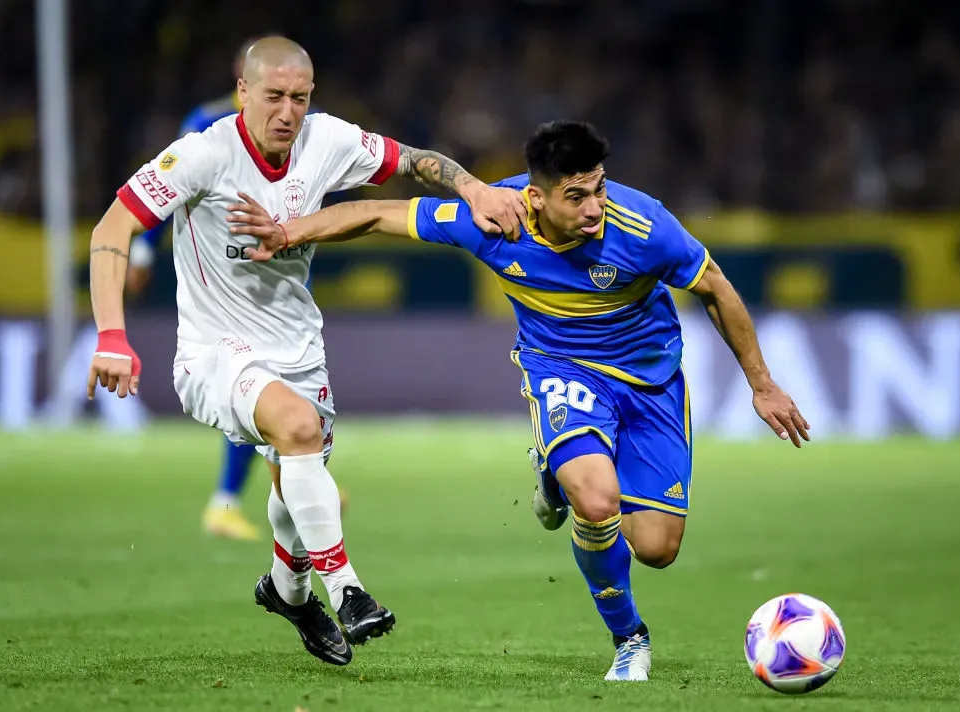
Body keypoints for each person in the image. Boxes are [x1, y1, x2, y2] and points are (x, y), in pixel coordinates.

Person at [225, 120, 811, 681]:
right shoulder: (491, 218)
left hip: (650, 380)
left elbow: (716, 289)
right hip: (561, 369)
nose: (593, 208)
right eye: (576, 195)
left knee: (656, 549)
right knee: (597, 499)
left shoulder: (645, 227)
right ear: (536, 197)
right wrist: (290, 231)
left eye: (599, 188)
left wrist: (761, 383)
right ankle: (629, 637)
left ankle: (553, 476)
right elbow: (379, 214)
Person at [86, 36, 526, 667]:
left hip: (297, 345)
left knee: (298, 474)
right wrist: (111, 335)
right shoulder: (204, 154)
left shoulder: (326, 140)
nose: (287, 112)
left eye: (299, 97)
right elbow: (113, 225)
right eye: (273, 96)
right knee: (296, 430)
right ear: (243, 91)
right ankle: (347, 592)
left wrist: (477, 191)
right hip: (214, 351)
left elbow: (414, 161)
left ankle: (288, 591)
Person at [125, 37, 272, 543]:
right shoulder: (206, 126)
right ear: (242, 78)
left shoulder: (298, 128)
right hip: (223, 280)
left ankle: (294, 477)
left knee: (286, 388)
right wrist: (142, 251)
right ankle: (234, 500)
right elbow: (162, 190)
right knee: (255, 386)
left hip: (278, 273)